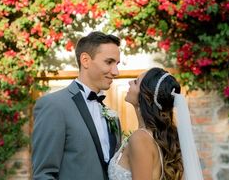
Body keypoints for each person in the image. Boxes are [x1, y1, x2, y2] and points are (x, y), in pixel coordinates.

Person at [32, 31, 122, 180]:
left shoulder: (111, 115)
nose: (116, 72)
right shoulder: (54, 106)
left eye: (117, 64)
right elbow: (43, 174)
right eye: (109, 62)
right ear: (85, 60)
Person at [108, 67, 204, 180]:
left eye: (135, 82)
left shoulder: (140, 138)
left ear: (146, 96)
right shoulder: (153, 137)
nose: (129, 82)